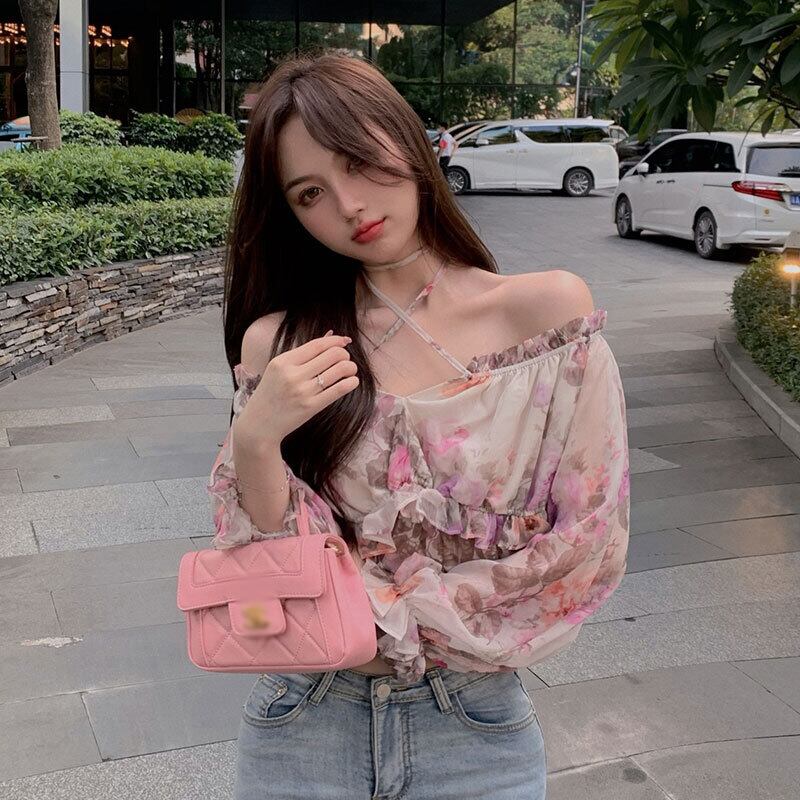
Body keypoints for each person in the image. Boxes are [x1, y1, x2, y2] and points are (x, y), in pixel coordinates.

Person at [207, 53, 630, 800]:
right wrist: (255, 439)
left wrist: (388, 623)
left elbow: (587, 544)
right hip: (303, 719)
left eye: (357, 161)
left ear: (407, 139)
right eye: (310, 193)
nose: (348, 205)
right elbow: (266, 561)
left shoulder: (543, 315)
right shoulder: (282, 343)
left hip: (472, 727)